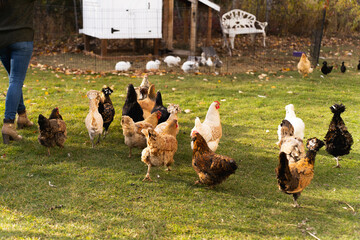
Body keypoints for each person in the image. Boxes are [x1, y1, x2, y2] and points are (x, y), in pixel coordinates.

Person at [0, 0, 36, 144]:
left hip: (2, 41)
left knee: (13, 79)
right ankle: (8, 124)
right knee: (15, 81)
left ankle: (22, 116)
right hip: (22, 40)